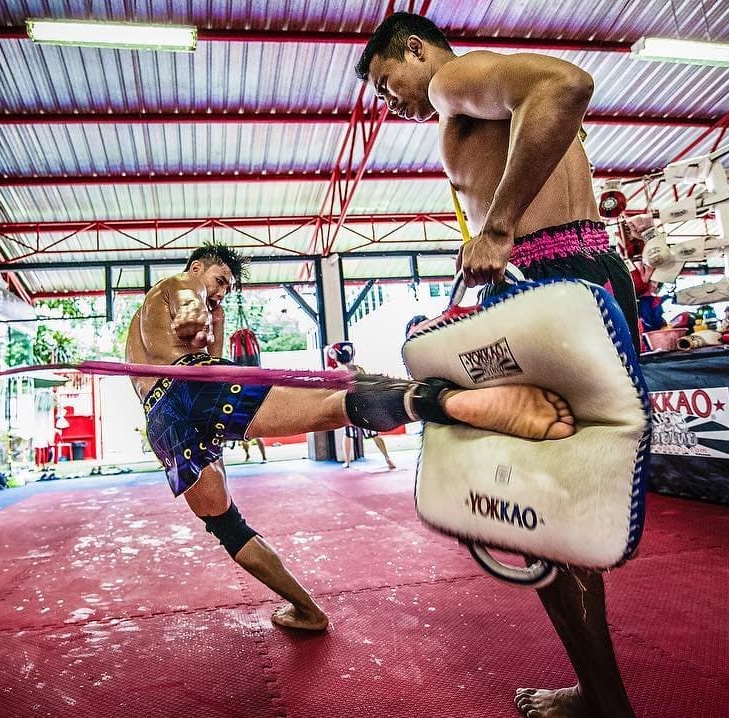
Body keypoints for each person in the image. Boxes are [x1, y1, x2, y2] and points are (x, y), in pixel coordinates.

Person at [357, 13, 642, 717]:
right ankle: (598, 695)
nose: (390, 102)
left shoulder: (452, 79)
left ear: (415, 50)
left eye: (388, 83)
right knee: (561, 502)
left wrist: (500, 225)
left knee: (546, 509)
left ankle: (604, 703)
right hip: (581, 276)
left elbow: (567, 84)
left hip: (552, 285)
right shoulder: (480, 104)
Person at [125, 243, 577, 632]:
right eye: (221, 280)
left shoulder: (146, 322)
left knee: (227, 526)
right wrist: (207, 314)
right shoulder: (181, 284)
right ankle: (444, 402)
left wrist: (215, 319)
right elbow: (194, 333)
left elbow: (195, 349)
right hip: (190, 389)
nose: (221, 292)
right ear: (199, 266)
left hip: (163, 422)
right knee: (333, 405)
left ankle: (306, 610)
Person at [328, 342, 397, 469]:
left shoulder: (338, 371)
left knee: (348, 434)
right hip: (364, 404)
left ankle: (347, 462)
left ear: (337, 358)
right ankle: (388, 458)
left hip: (350, 406)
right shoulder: (359, 368)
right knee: (374, 434)